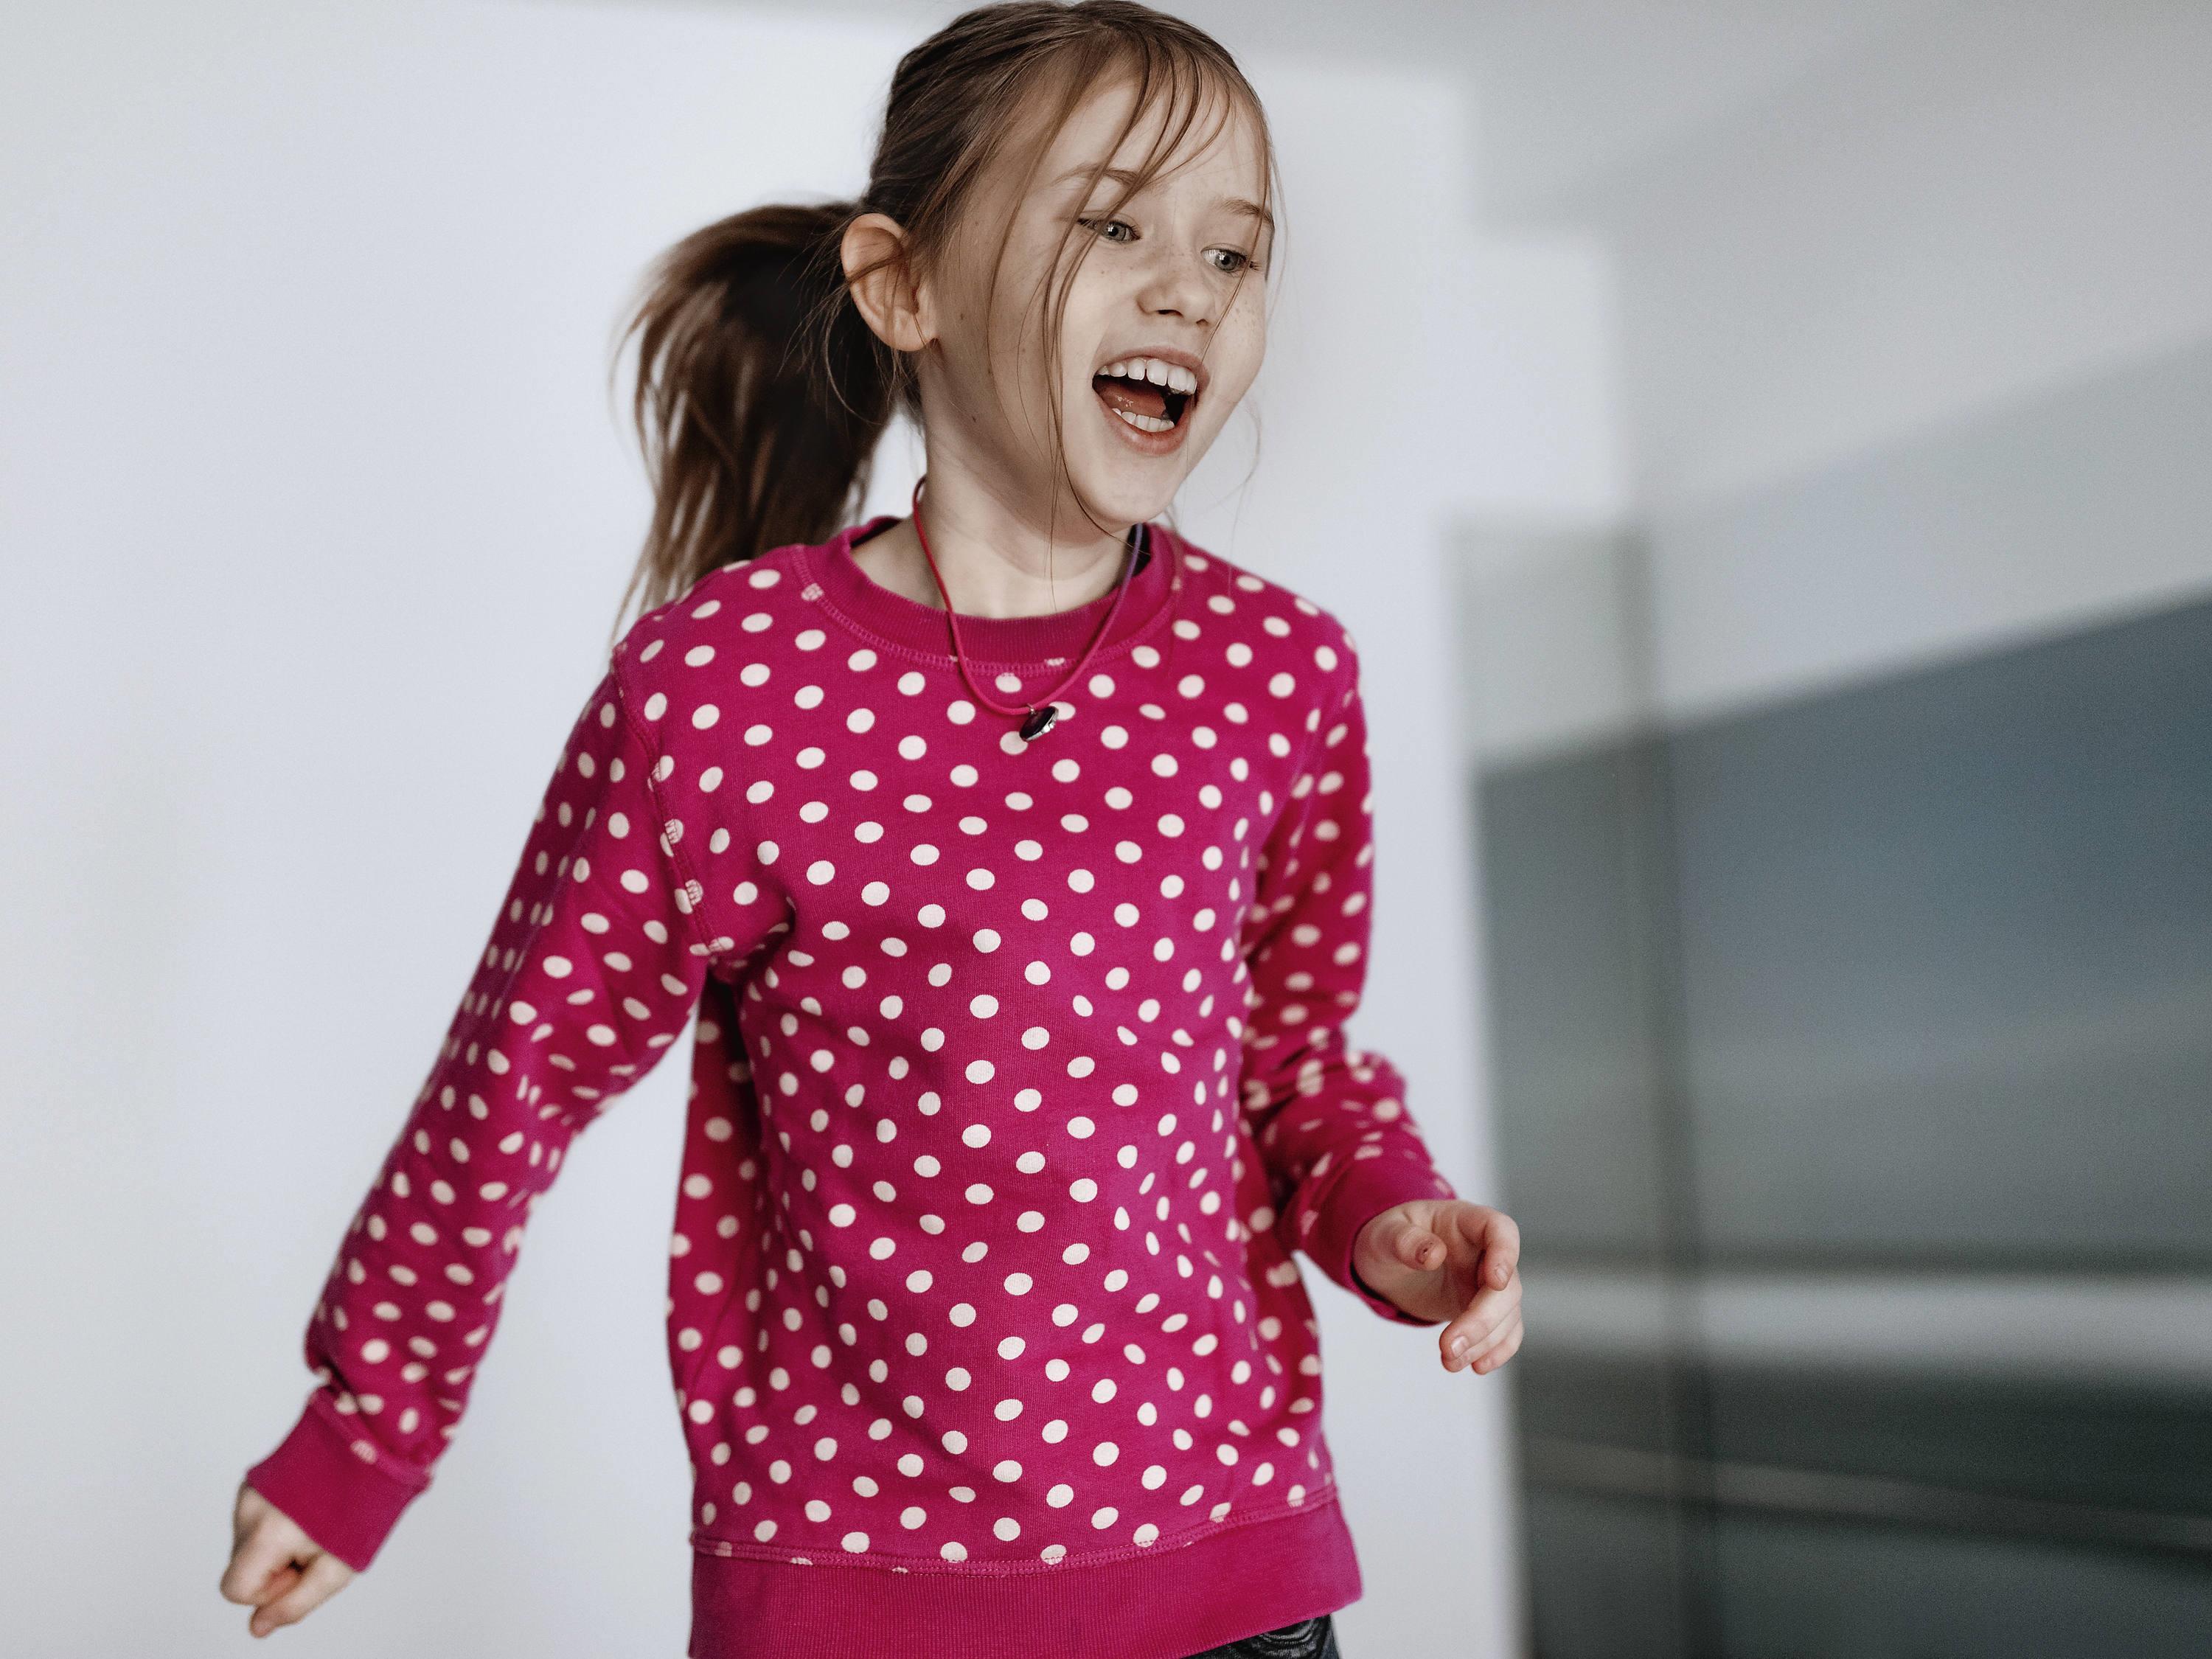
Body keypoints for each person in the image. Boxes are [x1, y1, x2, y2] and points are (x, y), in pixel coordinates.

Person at [219, 3, 1526, 1653]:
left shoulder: (1280, 671)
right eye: (1113, 224)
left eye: (1234, 252)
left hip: (1232, 1580)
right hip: (850, 1595)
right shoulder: (722, 686)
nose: (1189, 289)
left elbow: (1287, 1059)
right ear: (905, 287)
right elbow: (518, 1069)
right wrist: (363, 1435)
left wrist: (1388, 1216)